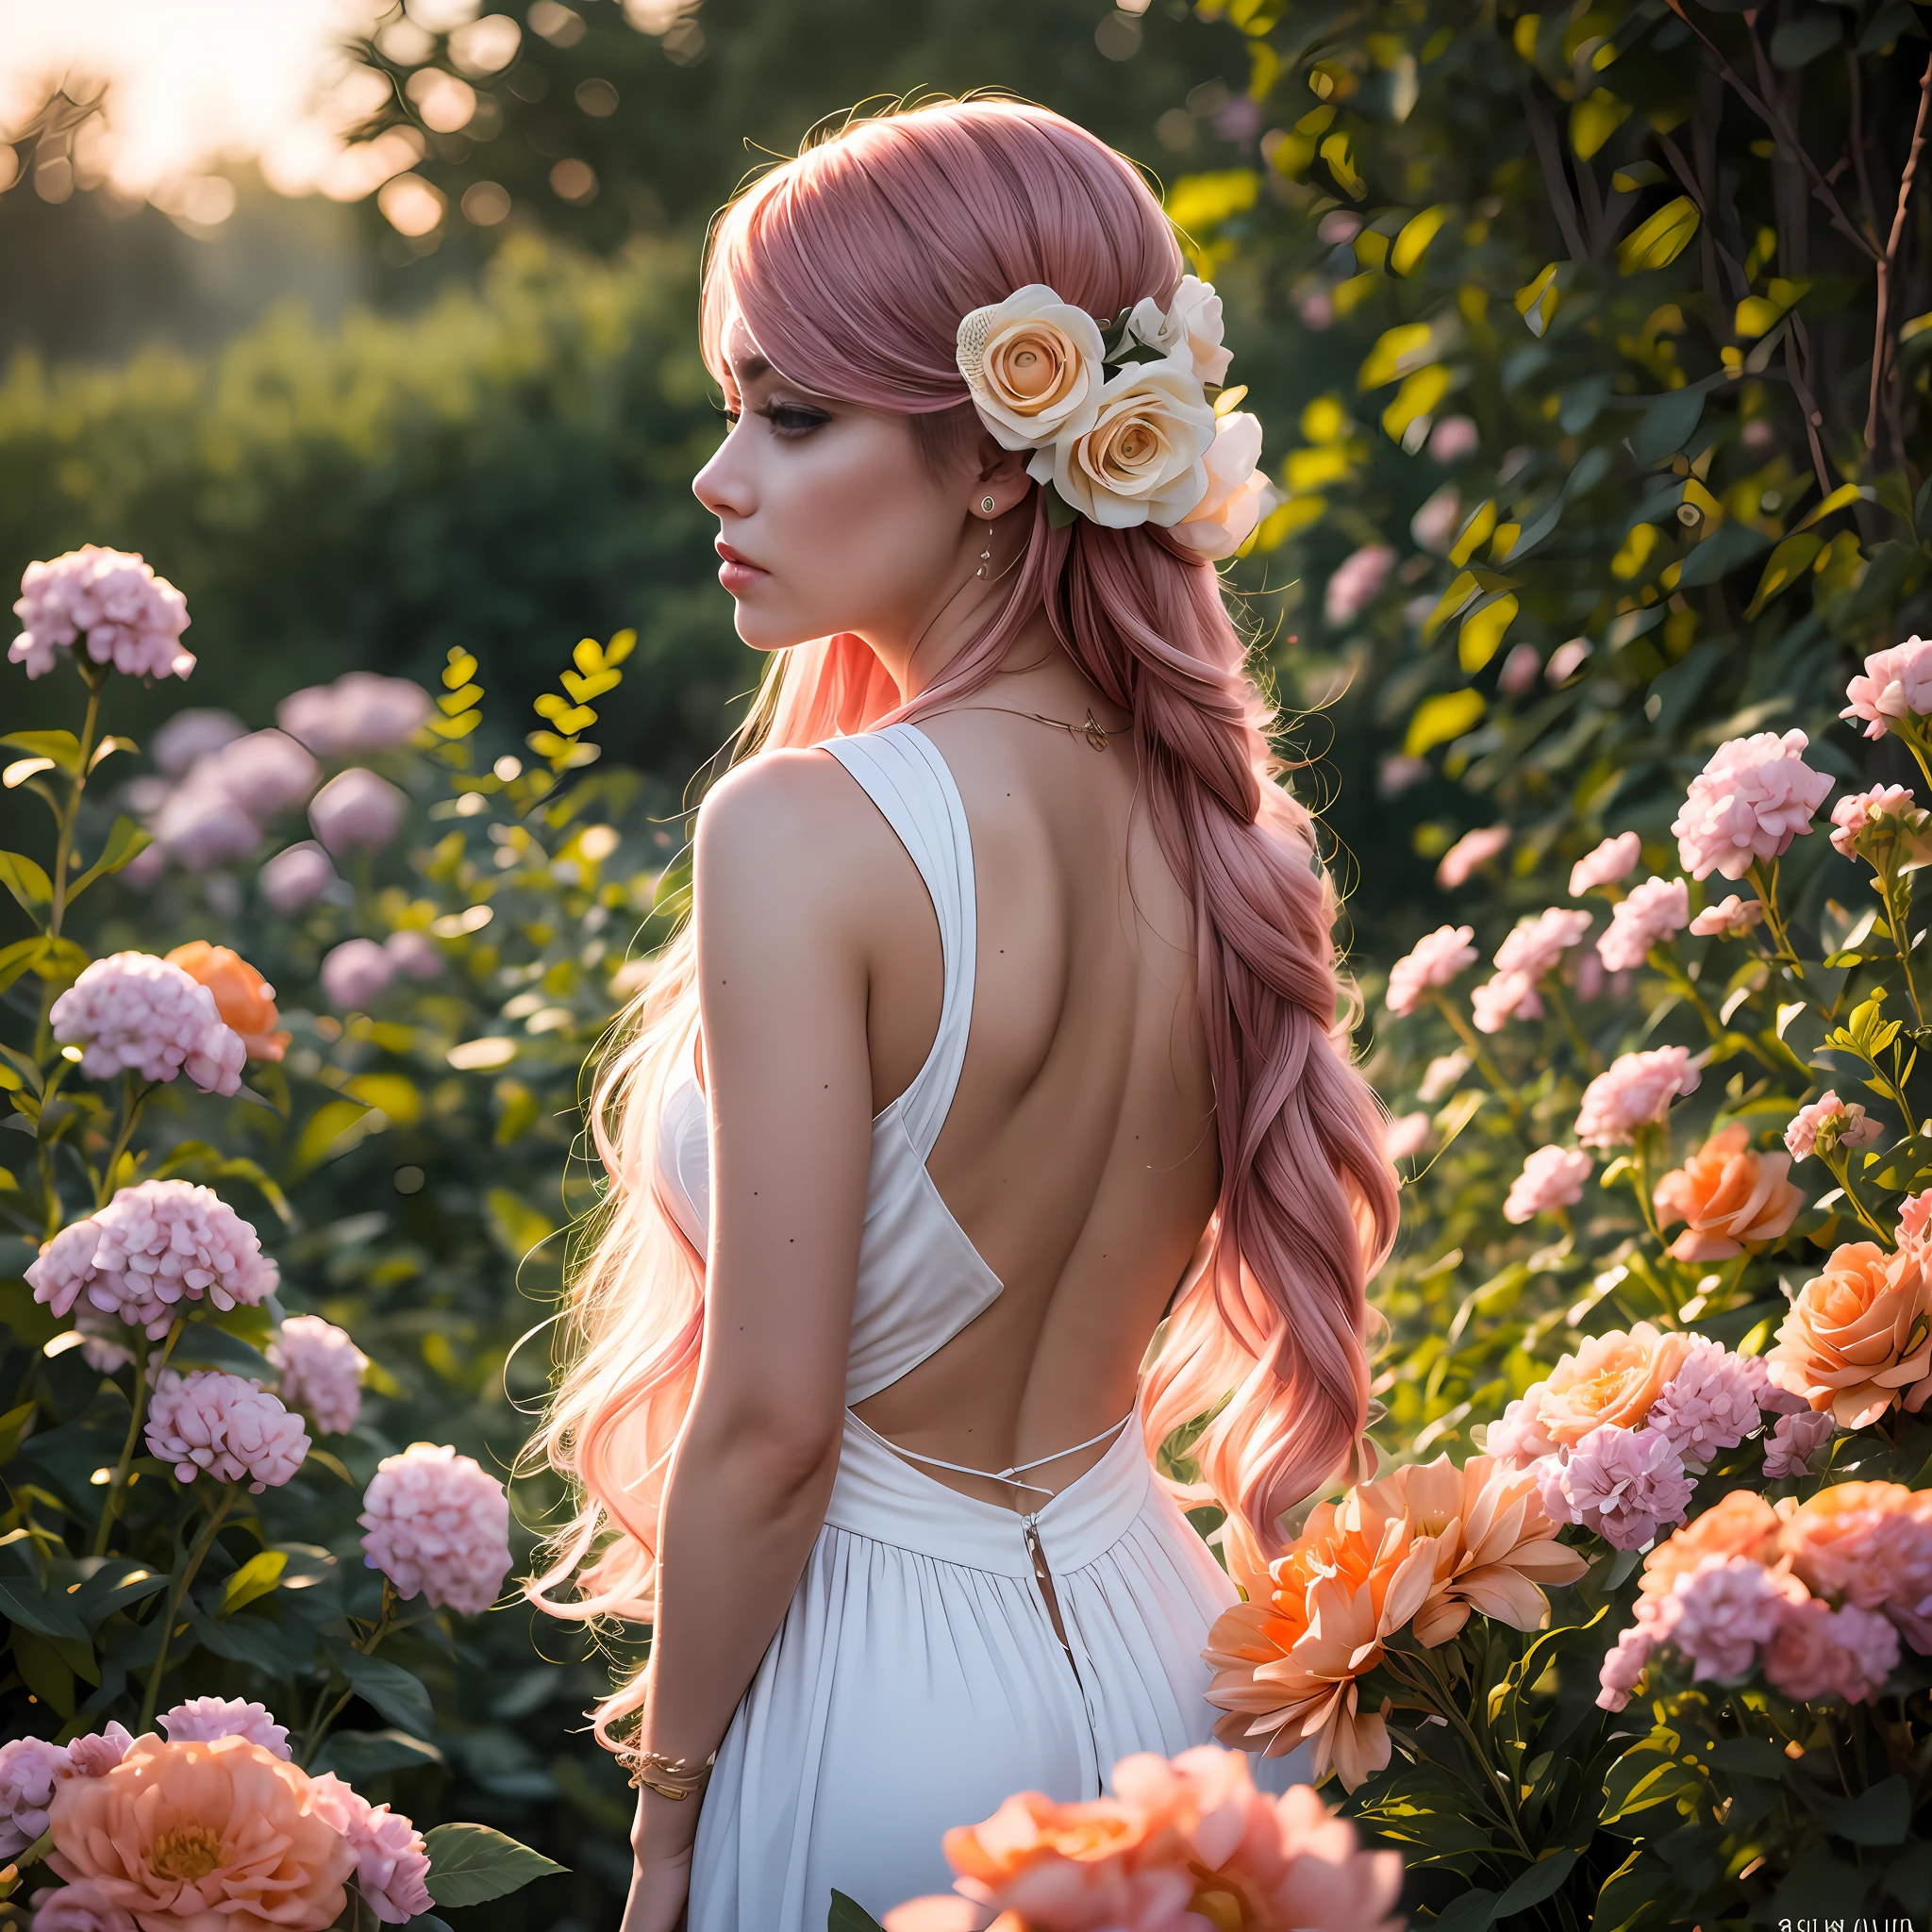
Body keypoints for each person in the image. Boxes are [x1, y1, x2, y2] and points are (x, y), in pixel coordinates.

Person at [525, 95, 1400, 1932]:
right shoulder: (1220, 836)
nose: (720, 474)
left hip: (879, 1729)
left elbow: (769, 1429)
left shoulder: (800, 832)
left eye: (791, 412)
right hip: (1177, 1677)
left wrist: (666, 1817)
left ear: (1007, 456)